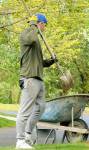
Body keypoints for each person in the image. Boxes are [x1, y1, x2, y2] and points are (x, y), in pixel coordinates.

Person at [16, 13, 57, 149]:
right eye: (44, 25)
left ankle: (27, 134)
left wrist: (51, 61)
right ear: (41, 23)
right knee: (25, 110)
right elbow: (31, 40)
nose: (44, 28)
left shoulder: (36, 39)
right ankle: (20, 140)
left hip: (38, 78)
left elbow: (40, 63)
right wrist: (34, 25)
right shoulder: (27, 34)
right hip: (29, 78)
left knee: (41, 107)